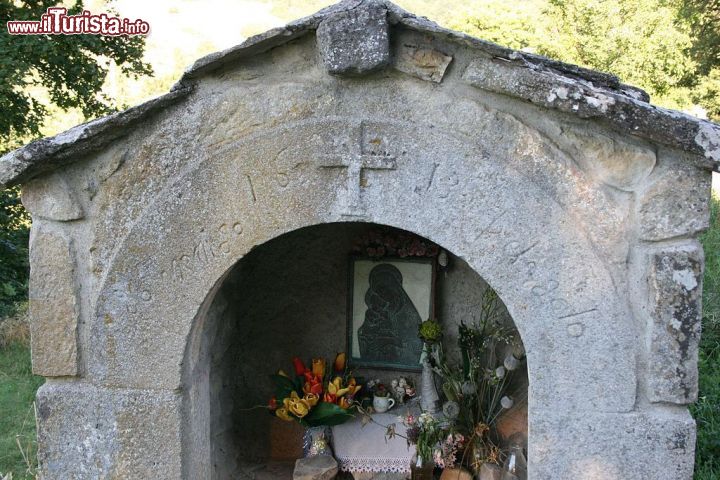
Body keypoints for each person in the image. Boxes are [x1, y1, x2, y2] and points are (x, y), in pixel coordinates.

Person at [358, 264, 423, 365]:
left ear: (395, 290)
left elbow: (415, 346)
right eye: (377, 291)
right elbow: (364, 340)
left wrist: (394, 343)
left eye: (385, 290)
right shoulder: (376, 311)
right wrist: (368, 327)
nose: (381, 295)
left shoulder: (410, 317)